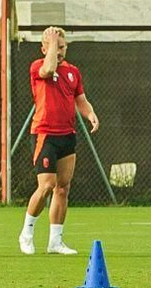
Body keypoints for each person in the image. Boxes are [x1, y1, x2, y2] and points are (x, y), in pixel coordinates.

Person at [19, 27, 99, 256]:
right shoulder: (38, 67)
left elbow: (80, 99)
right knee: (46, 186)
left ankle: (55, 241)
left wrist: (90, 114)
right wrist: (52, 46)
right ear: (43, 48)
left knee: (63, 188)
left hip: (67, 134)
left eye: (63, 47)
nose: (60, 51)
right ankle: (27, 233)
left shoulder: (73, 72)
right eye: (55, 46)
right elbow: (49, 67)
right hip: (45, 134)